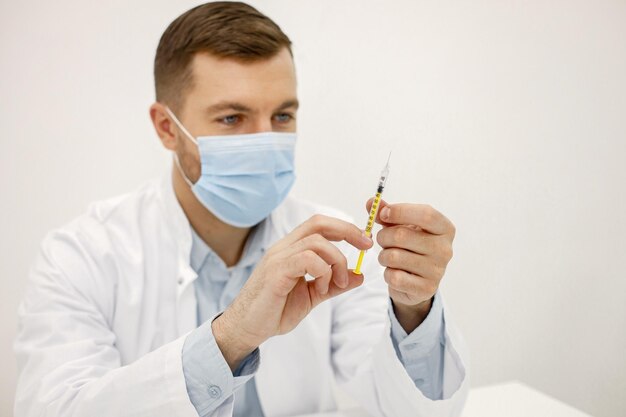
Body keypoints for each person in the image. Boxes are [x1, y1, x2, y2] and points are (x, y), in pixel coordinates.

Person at [14, 2, 469, 416]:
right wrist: (230, 338)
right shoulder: (80, 256)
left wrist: (413, 309)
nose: (265, 140)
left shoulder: (341, 243)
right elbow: (54, 408)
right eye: (232, 118)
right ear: (166, 128)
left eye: (283, 116)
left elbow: (411, 409)